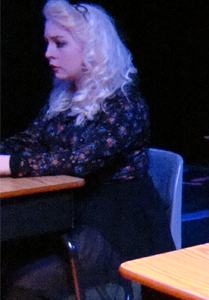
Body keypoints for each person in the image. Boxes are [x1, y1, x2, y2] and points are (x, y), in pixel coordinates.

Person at [0, 0, 174, 298]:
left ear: (93, 47)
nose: (48, 53)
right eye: (48, 43)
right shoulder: (64, 98)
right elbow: (28, 141)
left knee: (23, 285)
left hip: (118, 228)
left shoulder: (125, 104)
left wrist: (12, 165)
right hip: (69, 217)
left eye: (60, 43)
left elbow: (81, 160)